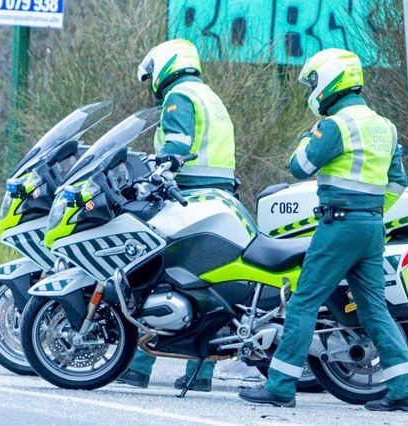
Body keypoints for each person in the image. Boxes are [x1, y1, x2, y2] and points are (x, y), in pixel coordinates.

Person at [238, 48, 408, 411]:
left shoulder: (336, 125)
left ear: (329, 80)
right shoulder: (385, 126)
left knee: (304, 302)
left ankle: (280, 386)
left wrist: (309, 137)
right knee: (374, 311)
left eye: (313, 80)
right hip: (370, 228)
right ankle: (405, 390)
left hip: (338, 226)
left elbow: (299, 166)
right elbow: (398, 182)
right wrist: (371, 210)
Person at [117, 38, 236, 392]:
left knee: (155, 276)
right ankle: (200, 373)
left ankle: (138, 366)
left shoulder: (180, 97)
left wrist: (155, 169)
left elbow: (177, 146)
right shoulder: (210, 97)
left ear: (166, 65)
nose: (152, 80)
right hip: (218, 196)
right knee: (204, 283)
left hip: (188, 196)